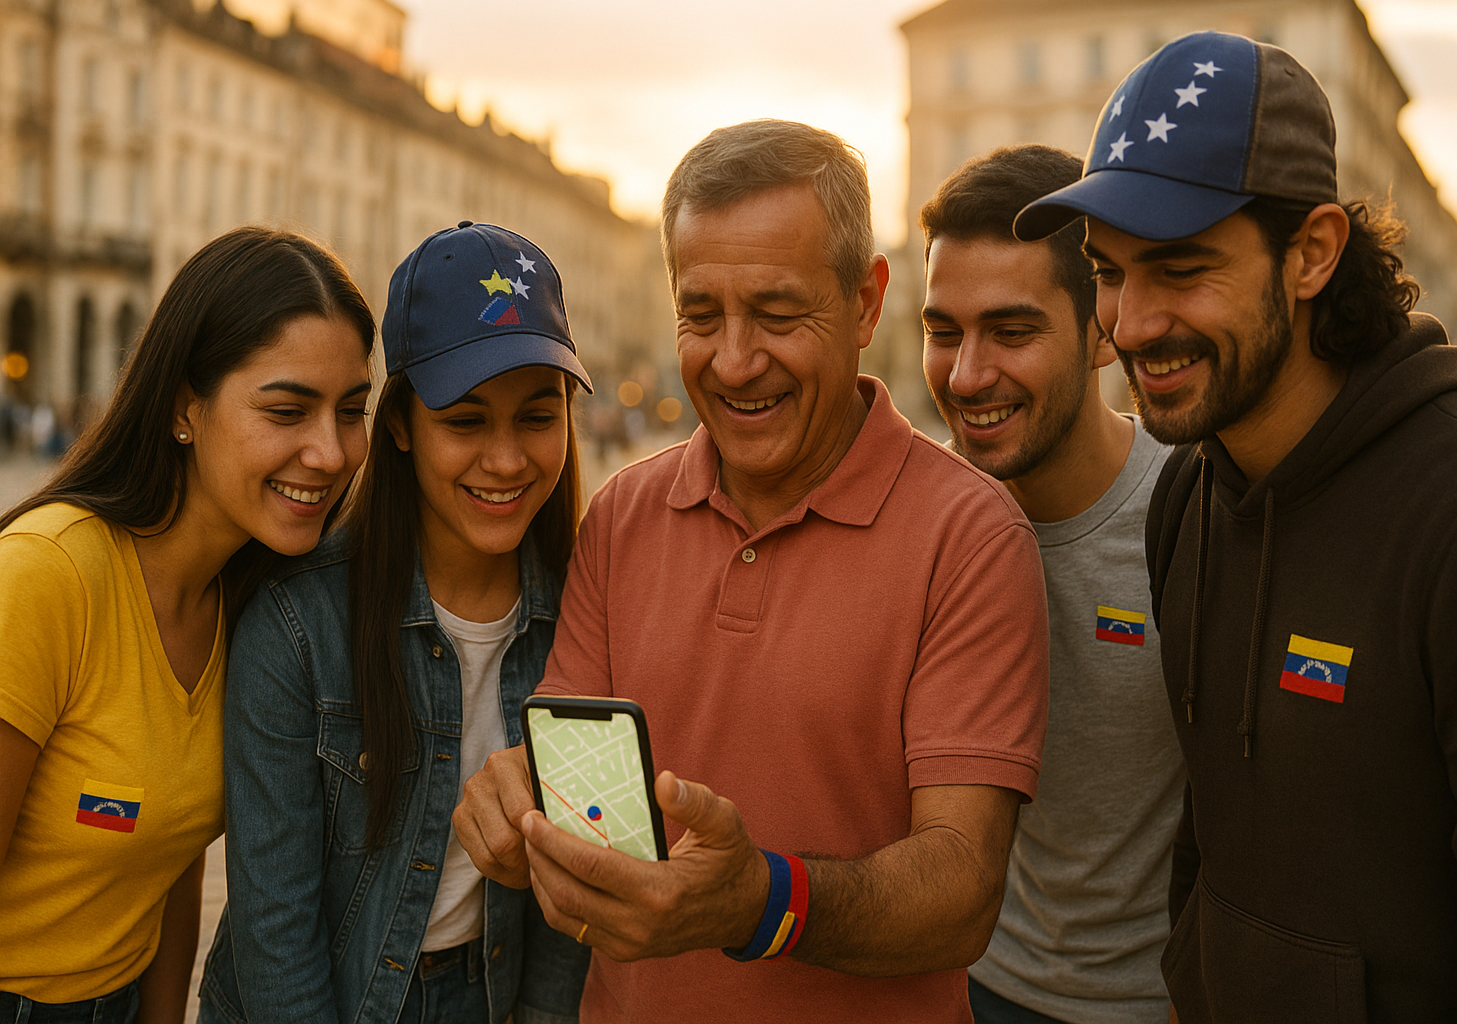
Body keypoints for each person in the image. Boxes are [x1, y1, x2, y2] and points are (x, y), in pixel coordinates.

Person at [453, 119, 1051, 1024]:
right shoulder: (622, 512)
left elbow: (962, 890)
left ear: (864, 301)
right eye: (701, 314)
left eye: (776, 313)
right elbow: (579, 777)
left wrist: (760, 902)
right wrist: (519, 804)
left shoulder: (970, 538)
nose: (733, 360)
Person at [1016, 30, 1457, 1024]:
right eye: (1112, 273)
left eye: (1179, 267)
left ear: (1314, 252)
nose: (1128, 323)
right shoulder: (1189, 495)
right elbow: (1209, 841)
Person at [196, 222, 591, 1024]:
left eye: (537, 417)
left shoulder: (586, 611)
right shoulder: (298, 622)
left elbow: (569, 917)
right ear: (403, 425)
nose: (508, 460)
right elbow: (277, 937)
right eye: (468, 421)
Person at [0, 227, 374, 1023]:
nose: (331, 451)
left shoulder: (248, 597)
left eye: (351, 411)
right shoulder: (45, 577)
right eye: (287, 410)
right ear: (183, 409)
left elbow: (168, 852)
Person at [921, 144, 1182, 1024]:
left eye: (1012, 331)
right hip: (964, 989)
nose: (966, 376)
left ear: (1102, 330)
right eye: (944, 331)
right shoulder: (920, 521)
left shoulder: (1195, 511)